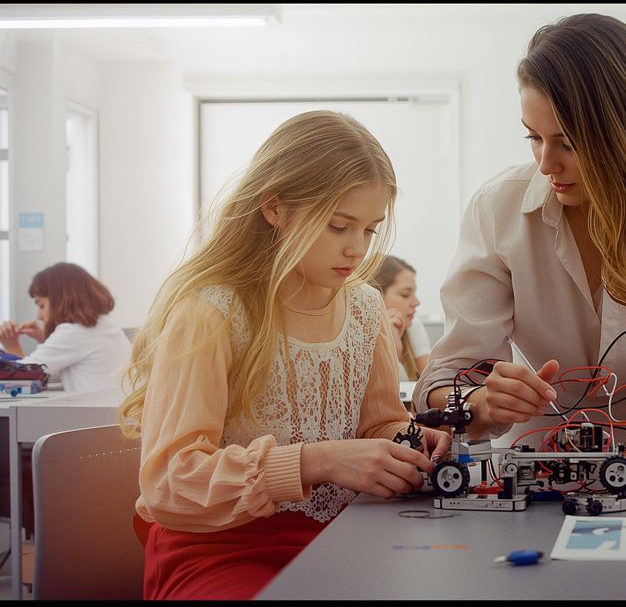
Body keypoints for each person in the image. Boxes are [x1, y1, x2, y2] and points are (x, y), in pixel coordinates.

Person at [117, 110, 450, 600]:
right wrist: (313, 462)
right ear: (274, 208)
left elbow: (377, 425)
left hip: (345, 536)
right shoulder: (211, 313)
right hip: (220, 550)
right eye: (339, 226)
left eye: (370, 230)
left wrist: (413, 441)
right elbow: (170, 483)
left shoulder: (364, 308)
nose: (357, 249)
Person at [413, 13, 626, 492]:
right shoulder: (498, 207)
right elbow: (447, 377)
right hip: (537, 462)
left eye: (567, 142)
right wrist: (480, 405)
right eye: (533, 137)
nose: (546, 163)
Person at [0, 262, 132, 394]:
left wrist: (11, 346)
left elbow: (22, 378)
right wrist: (45, 339)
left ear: (59, 301)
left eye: (41, 305)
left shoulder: (72, 333)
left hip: (94, 413)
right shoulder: (104, 325)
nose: (39, 316)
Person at [372, 255, 431, 384]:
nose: (416, 302)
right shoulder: (359, 338)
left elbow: (431, 384)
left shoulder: (412, 326)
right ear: (376, 295)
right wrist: (393, 353)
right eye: (405, 294)